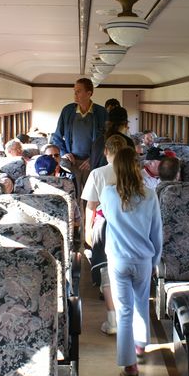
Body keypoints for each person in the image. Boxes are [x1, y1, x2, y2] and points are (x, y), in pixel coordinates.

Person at [101, 147, 163, 376]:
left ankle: (130, 367)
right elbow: (156, 232)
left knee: (124, 311)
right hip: (143, 258)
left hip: (119, 259)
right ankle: (140, 345)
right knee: (141, 303)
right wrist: (155, 261)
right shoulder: (150, 195)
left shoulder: (108, 194)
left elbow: (107, 218)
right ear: (137, 168)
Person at [81, 134, 130, 335]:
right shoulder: (133, 173)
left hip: (104, 224)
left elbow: (91, 206)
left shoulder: (98, 173)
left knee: (106, 270)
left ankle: (112, 320)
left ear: (106, 151)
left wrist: (88, 230)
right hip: (129, 224)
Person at [51, 78, 107, 195]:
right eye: (74, 91)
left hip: (92, 163)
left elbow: (106, 140)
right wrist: (64, 153)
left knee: (91, 196)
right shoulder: (67, 111)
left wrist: (93, 159)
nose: (75, 94)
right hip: (71, 162)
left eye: (78, 91)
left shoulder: (102, 113)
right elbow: (56, 136)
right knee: (73, 195)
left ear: (89, 93)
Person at [90, 105, 135, 170]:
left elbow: (93, 165)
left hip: (99, 175)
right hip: (120, 176)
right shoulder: (128, 142)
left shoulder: (98, 140)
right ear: (126, 124)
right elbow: (131, 168)